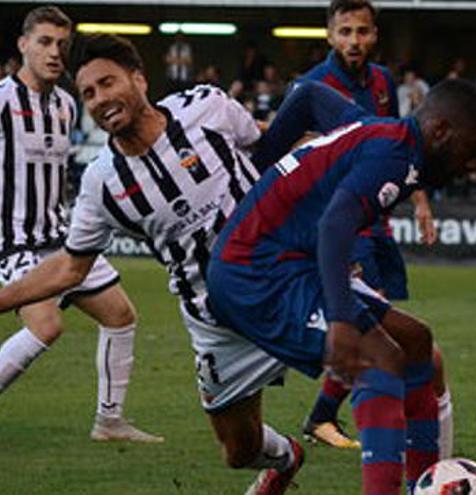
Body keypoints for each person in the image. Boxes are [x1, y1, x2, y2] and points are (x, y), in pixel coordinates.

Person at [0, 32, 383, 494]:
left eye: (107, 83)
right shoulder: (101, 183)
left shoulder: (206, 106)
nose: (100, 100)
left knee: (399, 357)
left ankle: (424, 472)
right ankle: (285, 457)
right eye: (88, 93)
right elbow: (70, 268)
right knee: (238, 451)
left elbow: (264, 152)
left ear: (139, 79)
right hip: (213, 320)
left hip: (283, 279)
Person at [207, 78, 476, 495]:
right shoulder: (393, 157)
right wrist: (342, 319)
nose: (468, 165)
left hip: (287, 263)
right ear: (440, 131)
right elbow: (335, 224)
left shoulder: (375, 128)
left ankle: (423, 485)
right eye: (469, 151)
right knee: (377, 359)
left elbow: (307, 95)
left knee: (415, 341)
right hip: (256, 273)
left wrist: (261, 169)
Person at [0, 6, 161, 443]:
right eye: (45, 42)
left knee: (121, 315)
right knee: (47, 327)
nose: (55, 53)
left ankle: (109, 421)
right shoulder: (3, 100)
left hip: (64, 241)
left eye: (62, 45)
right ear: (23, 45)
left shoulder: (68, 105)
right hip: (16, 245)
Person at [299, 0, 451, 455]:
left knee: (390, 336)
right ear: (329, 35)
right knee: (389, 339)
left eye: (362, 31)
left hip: (377, 222)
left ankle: (327, 417)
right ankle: (359, 429)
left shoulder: (383, 81)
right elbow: (295, 159)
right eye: (345, 31)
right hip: (344, 225)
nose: (354, 41)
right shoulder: (312, 88)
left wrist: (421, 201)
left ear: (375, 35)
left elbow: (405, 143)